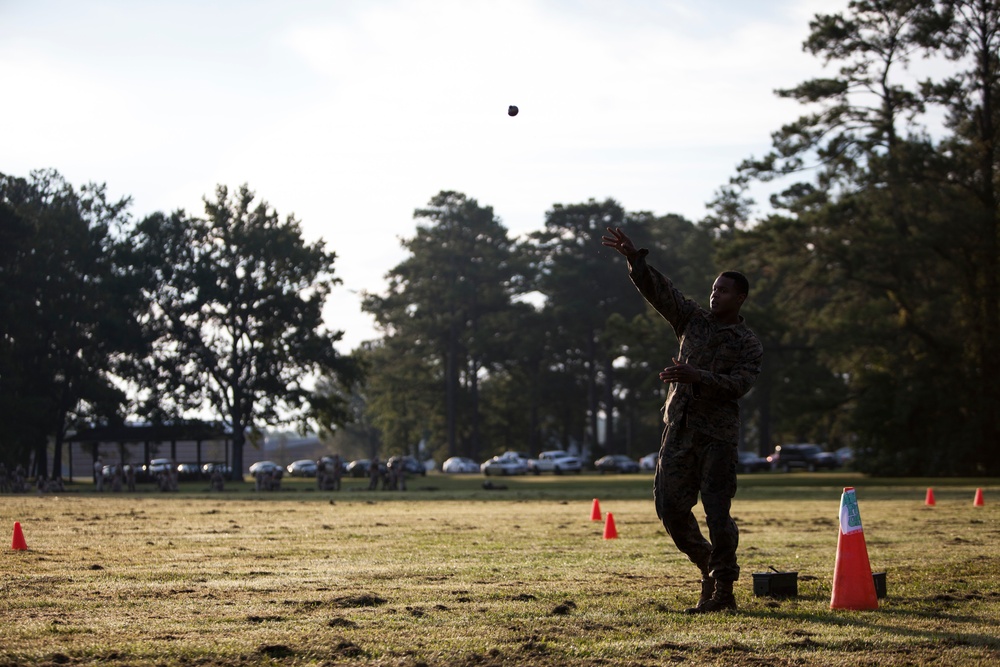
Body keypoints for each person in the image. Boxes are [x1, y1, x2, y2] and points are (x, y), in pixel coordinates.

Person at [602, 226, 763, 614]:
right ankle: (712, 568)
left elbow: (739, 385)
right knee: (669, 508)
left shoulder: (748, 343)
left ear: (740, 298)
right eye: (713, 288)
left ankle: (723, 590)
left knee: (717, 513)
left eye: (724, 290)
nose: (715, 294)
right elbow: (662, 292)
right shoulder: (693, 321)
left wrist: (698, 377)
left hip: (718, 437)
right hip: (680, 430)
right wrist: (636, 261)